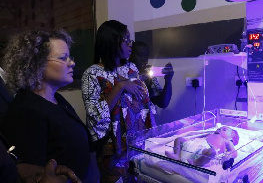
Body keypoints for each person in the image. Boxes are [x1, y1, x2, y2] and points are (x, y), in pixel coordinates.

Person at [0, 29, 99, 183]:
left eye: (70, 57)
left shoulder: (56, 98)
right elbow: (29, 173)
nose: (72, 63)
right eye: (63, 58)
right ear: (36, 65)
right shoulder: (25, 111)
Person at [81, 20, 156, 182]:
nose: (130, 45)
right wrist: (120, 86)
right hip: (112, 150)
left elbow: (143, 105)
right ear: (111, 42)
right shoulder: (92, 74)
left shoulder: (130, 68)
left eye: (130, 40)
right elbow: (96, 116)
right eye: (126, 40)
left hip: (136, 143)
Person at [129, 41, 174, 111]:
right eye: (140, 55)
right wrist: (138, 78)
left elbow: (163, 103)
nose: (145, 60)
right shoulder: (122, 75)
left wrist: (168, 81)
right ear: (130, 54)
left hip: (147, 120)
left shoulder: (149, 76)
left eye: (146, 56)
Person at [165, 126, 239, 167]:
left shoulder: (227, 141)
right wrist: (192, 141)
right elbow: (200, 137)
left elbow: (235, 153)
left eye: (224, 130)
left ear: (230, 138)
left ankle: (196, 162)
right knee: (179, 139)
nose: (220, 129)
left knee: (211, 152)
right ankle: (177, 155)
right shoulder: (211, 134)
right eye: (220, 128)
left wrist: (229, 154)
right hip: (196, 145)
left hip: (205, 150)